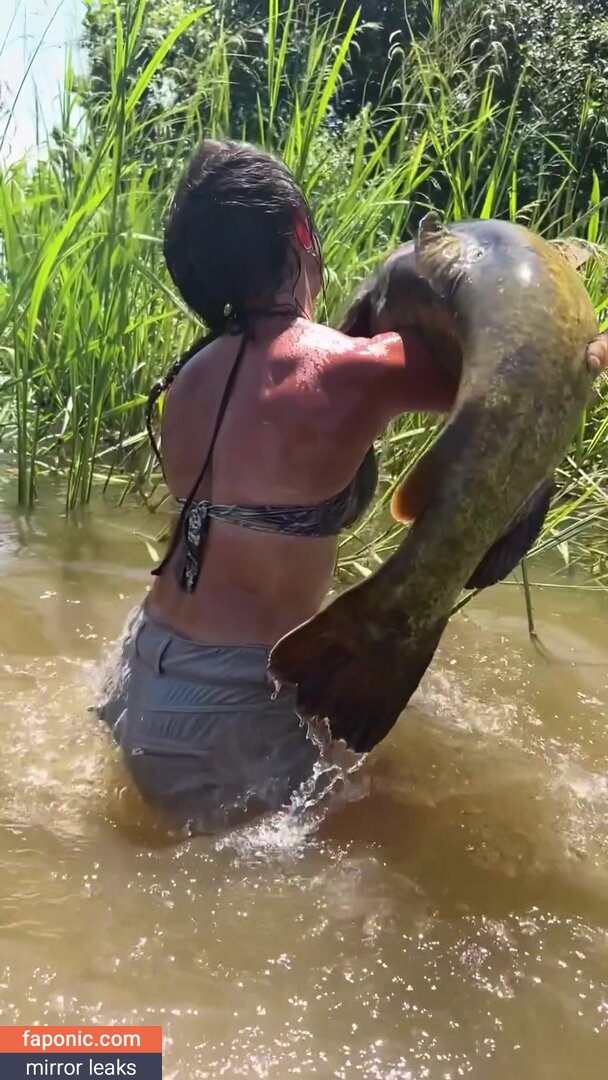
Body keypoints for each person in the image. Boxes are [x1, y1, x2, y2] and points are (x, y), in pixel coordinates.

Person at [97, 138, 608, 833]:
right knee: (393, 841)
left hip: (141, 668)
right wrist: (569, 350)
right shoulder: (345, 368)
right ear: (300, 234)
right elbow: (510, 385)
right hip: (228, 710)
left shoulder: (185, 378)